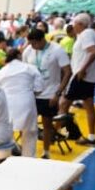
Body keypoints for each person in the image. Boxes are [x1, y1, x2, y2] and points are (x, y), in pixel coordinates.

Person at [23, 28, 71, 158]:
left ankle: (46, 152)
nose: (32, 46)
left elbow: (67, 72)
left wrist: (58, 93)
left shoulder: (57, 50)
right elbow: (24, 71)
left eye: (34, 43)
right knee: (28, 125)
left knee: (47, 125)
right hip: (32, 94)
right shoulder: (28, 51)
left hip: (50, 94)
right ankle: (27, 153)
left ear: (41, 40)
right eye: (30, 43)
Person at [0, 48, 43, 157]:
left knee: (6, 135)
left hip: (7, 105)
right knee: (29, 134)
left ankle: (4, 159)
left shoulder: (0, 73)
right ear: (19, 56)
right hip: (26, 102)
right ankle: (29, 159)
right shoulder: (30, 68)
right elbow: (39, 89)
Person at [60, 13, 95, 146]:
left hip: (81, 76)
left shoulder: (86, 34)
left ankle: (60, 131)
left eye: (74, 23)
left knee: (64, 104)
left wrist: (82, 69)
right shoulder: (90, 34)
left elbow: (93, 51)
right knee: (88, 105)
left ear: (81, 24)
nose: (73, 26)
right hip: (88, 77)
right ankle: (91, 137)